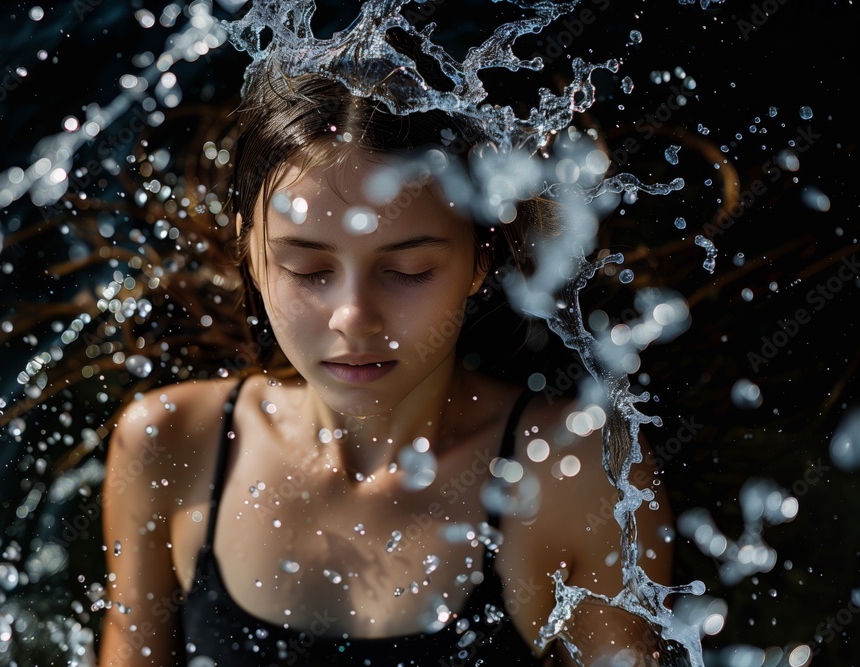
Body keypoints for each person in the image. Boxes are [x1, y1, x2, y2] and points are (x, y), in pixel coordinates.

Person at [97, 58, 674, 666]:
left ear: (480, 260)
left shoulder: (577, 476)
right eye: (307, 269)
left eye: (408, 271)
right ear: (252, 252)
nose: (354, 317)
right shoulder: (169, 445)